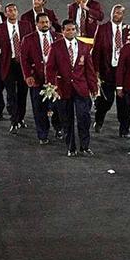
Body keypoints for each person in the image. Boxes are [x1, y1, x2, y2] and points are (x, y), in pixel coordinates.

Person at [46, 19, 99, 157]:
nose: (71, 32)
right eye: (68, 30)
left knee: (84, 117)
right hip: (63, 89)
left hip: (81, 88)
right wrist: (52, 86)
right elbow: (50, 68)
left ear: (76, 30)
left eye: (73, 29)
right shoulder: (55, 46)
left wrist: (93, 87)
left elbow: (89, 69)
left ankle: (85, 146)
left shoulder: (84, 46)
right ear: (62, 31)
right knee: (67, 120)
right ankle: (71, 147)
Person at [0, 3, 34, 133]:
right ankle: (14, 121)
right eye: (10, 11)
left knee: (22, 93)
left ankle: (21, 118)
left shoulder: (26, 26)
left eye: (15, 10)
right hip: (8, 65)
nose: (13, 12)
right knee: (11, 94)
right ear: (6, 13)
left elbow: (31, 46)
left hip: (23, 66)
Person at [20, 12, 62, 144]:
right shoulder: (28, 39)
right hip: (37, 79)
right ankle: (42, 134)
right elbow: (24, 59)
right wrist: (28, 76)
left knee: (57, 106)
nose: (45, 24)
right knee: (39, 108)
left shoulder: (58, 38)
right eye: (42, 22)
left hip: (55, 80)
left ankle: (58, 127)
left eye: (47, 22)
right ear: (36, 24)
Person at [92, 4, 130, 136]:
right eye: (115, 12)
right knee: (106, 101)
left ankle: (124, 129)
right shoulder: (102, 29)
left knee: (124, 103)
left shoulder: (129, 30)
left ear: (123, 15)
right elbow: (96, 51)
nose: (116, 14)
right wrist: (96, 71)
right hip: (107, 71)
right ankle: (99, 120)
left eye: (119, 13)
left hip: (124, 74)